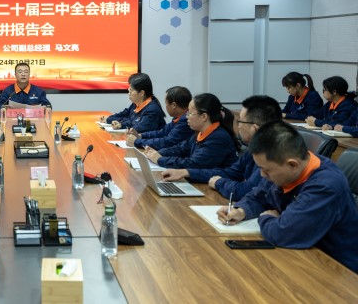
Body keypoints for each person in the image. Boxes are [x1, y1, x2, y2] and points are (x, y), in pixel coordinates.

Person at [218, 121, 358, 273]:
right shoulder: (283, 169)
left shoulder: (326, 185)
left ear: (293, 165)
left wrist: (267, 218)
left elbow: (283, 233)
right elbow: (258, 196)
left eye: (266, 171)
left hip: (336, 268)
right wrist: (241, 210)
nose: (262, 175)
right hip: (300, 255)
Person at [162, 95, 282, 200]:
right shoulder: (255, 147)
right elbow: (230, 173)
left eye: (241, 122)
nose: (238, 126)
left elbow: (245, 190)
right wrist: (187, 172)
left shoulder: (273, 154)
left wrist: (219, 182)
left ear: (254, 128)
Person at [145, 93, 240, 169]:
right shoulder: (200, 133)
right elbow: (180, 149)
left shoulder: (218, 138)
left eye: (190, 113)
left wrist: (160, 159)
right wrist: (157, 153)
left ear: (204, 117)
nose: (187, 117)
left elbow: (193, 164)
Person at [126, 86, 193, 149]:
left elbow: (167, 142)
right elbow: (162, 132)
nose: (166, 107)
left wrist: (137, 141)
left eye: (166, 104)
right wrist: (140, 136)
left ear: (174, 105)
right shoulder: (178, 117)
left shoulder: (186, 121)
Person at [101, 73, 165, 132]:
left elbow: (138, 128)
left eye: (131, 90)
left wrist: (121, 124)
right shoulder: (135, 104)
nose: (129, 93)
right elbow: (124, 115)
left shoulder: (152, 110)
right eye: (129, 90)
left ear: (141, 93)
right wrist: (109, 119)